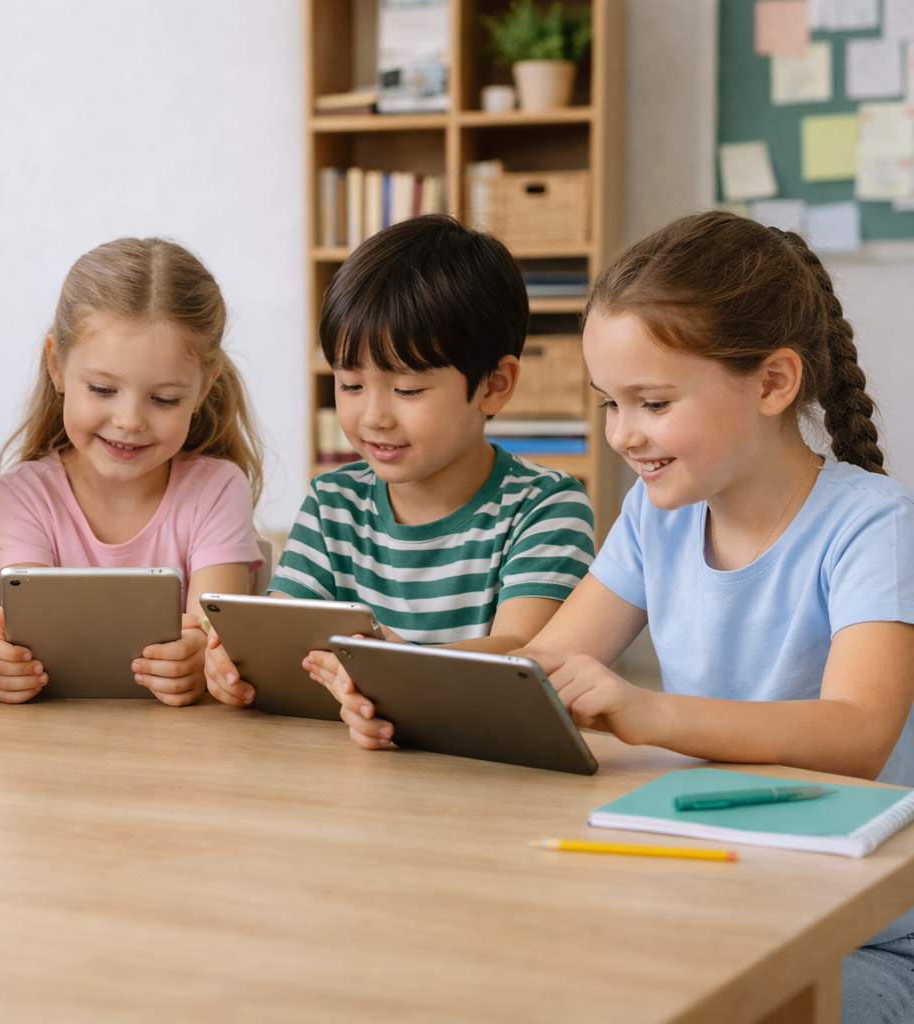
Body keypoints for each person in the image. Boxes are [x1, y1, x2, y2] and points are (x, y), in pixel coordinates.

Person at [338, 211, 914, 1022]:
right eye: (609, 403)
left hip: (856, 933)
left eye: (651, 401)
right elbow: (536, 668)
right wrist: (398, 682)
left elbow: (858, 735)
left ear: (772, 383)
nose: (622, 435)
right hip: (713, 896)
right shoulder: (658, 515)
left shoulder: (872, 524)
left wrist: (650, 713)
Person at [211, 215, 596, 741]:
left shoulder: (547, 507)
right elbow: (285, 640)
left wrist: (396, 670)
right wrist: (235, 667)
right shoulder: (334, 502)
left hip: (486, 768)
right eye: (349, 385)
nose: (373, 417)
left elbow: (525, 654)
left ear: (494, 385)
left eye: (408, 390)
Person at [0, 237, 264, 705]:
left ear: (202, 390)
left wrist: (203, 660)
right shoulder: (22, 495)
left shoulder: (217, 488)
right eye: (102, 389)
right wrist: (1, 660)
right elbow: (26, 639)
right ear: (57, 365)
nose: (129, 420)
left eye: (164, 399)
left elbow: (216, 637)